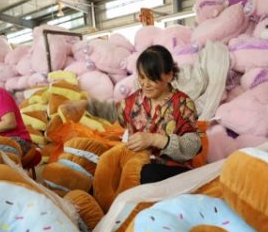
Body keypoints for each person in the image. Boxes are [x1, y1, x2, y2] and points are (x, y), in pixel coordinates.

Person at [86, 45, 201, 184]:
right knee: (103, 171)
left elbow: (193, 146)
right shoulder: (136, 100)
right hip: (138, 164)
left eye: (152, 78)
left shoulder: (182, 104)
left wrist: (155, 140)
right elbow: (114, 111)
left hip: (173, 171)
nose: (145, 84)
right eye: (142, 77)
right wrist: (84, 105)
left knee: (147, 173)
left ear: (169, 75)